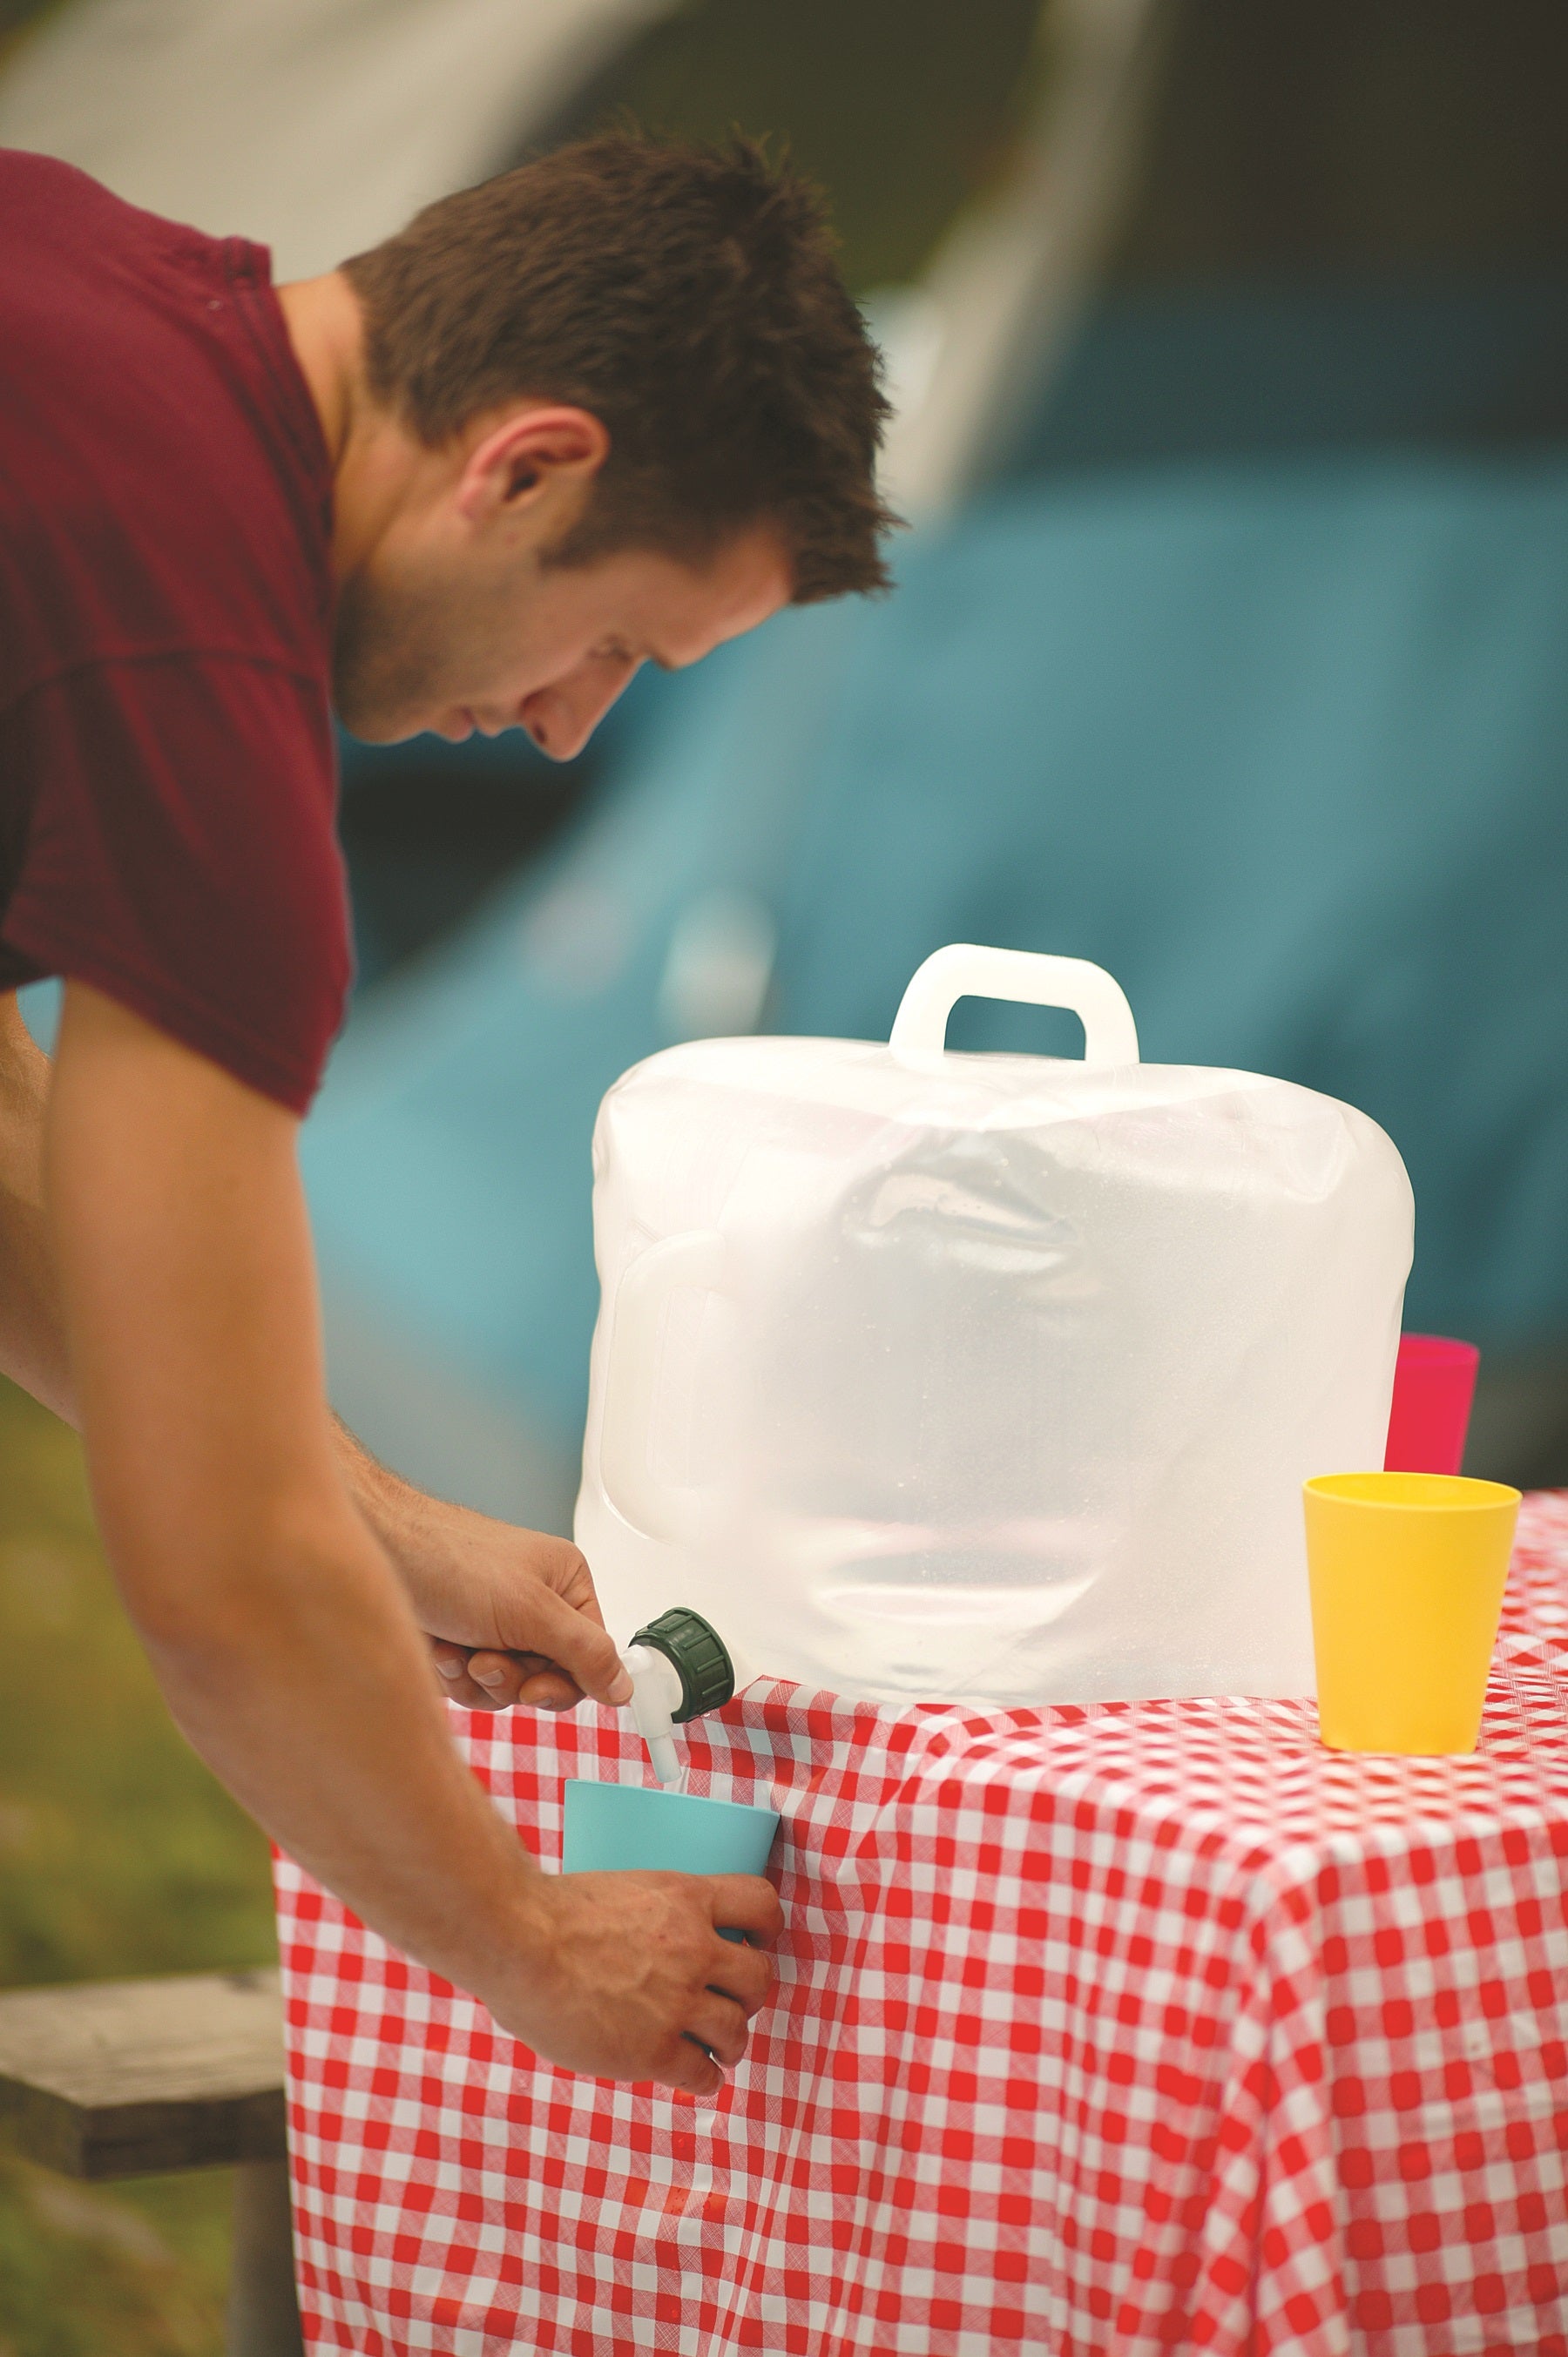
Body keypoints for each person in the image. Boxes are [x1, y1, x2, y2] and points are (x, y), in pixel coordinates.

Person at [0, 131, 894, 2096]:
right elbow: (218, 1573)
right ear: (526, 466)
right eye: (614, 645)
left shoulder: (67, 256)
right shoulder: (197, 676)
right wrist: (539, 1944)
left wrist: (383, 1522)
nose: (575, 722)